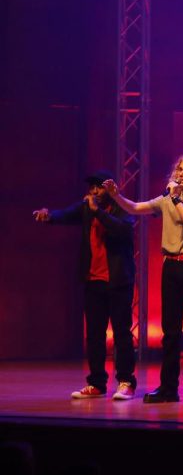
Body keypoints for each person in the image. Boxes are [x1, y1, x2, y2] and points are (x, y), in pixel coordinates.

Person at [105, 154, 183, 404]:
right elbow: (137, 208)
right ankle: (168, 387)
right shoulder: (167, 200)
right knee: (170, 331)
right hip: (171, 267)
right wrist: (116, 196)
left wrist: (176, 199)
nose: (181, 173)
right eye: (179, 168)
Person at [33, 169, 138, 401]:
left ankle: (126, 382)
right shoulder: (87, 208)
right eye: (91, 187)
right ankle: (97, 383)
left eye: (98, 187)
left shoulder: (123, 208)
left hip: (118, 281)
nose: (93, 191)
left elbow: (124, 231)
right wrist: (49, 215)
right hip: (93, 281)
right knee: (94, 336)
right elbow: (67, 213)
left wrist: (98, 213)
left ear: (110, 189)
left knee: (121, 334)